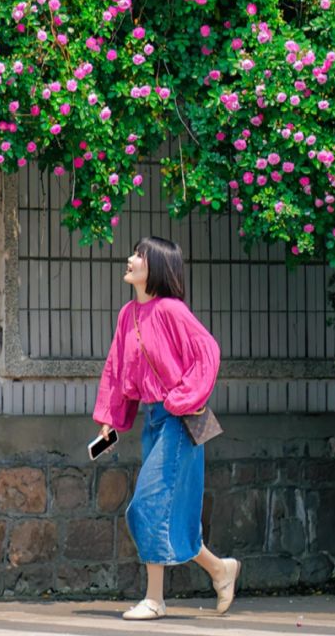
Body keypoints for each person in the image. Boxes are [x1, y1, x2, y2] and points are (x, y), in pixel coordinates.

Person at [93, 234, 240, 621]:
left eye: (138, 256)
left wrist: (181, 399)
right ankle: (220, 569)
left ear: (155, 267)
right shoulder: (128, 315)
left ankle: (155, 599)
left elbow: (207, 351)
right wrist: (110, 424)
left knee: (148, 503)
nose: (130, 259)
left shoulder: (172, 310)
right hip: (154, 419)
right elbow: (116, 369)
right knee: (162, 507)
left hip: (178, 419)